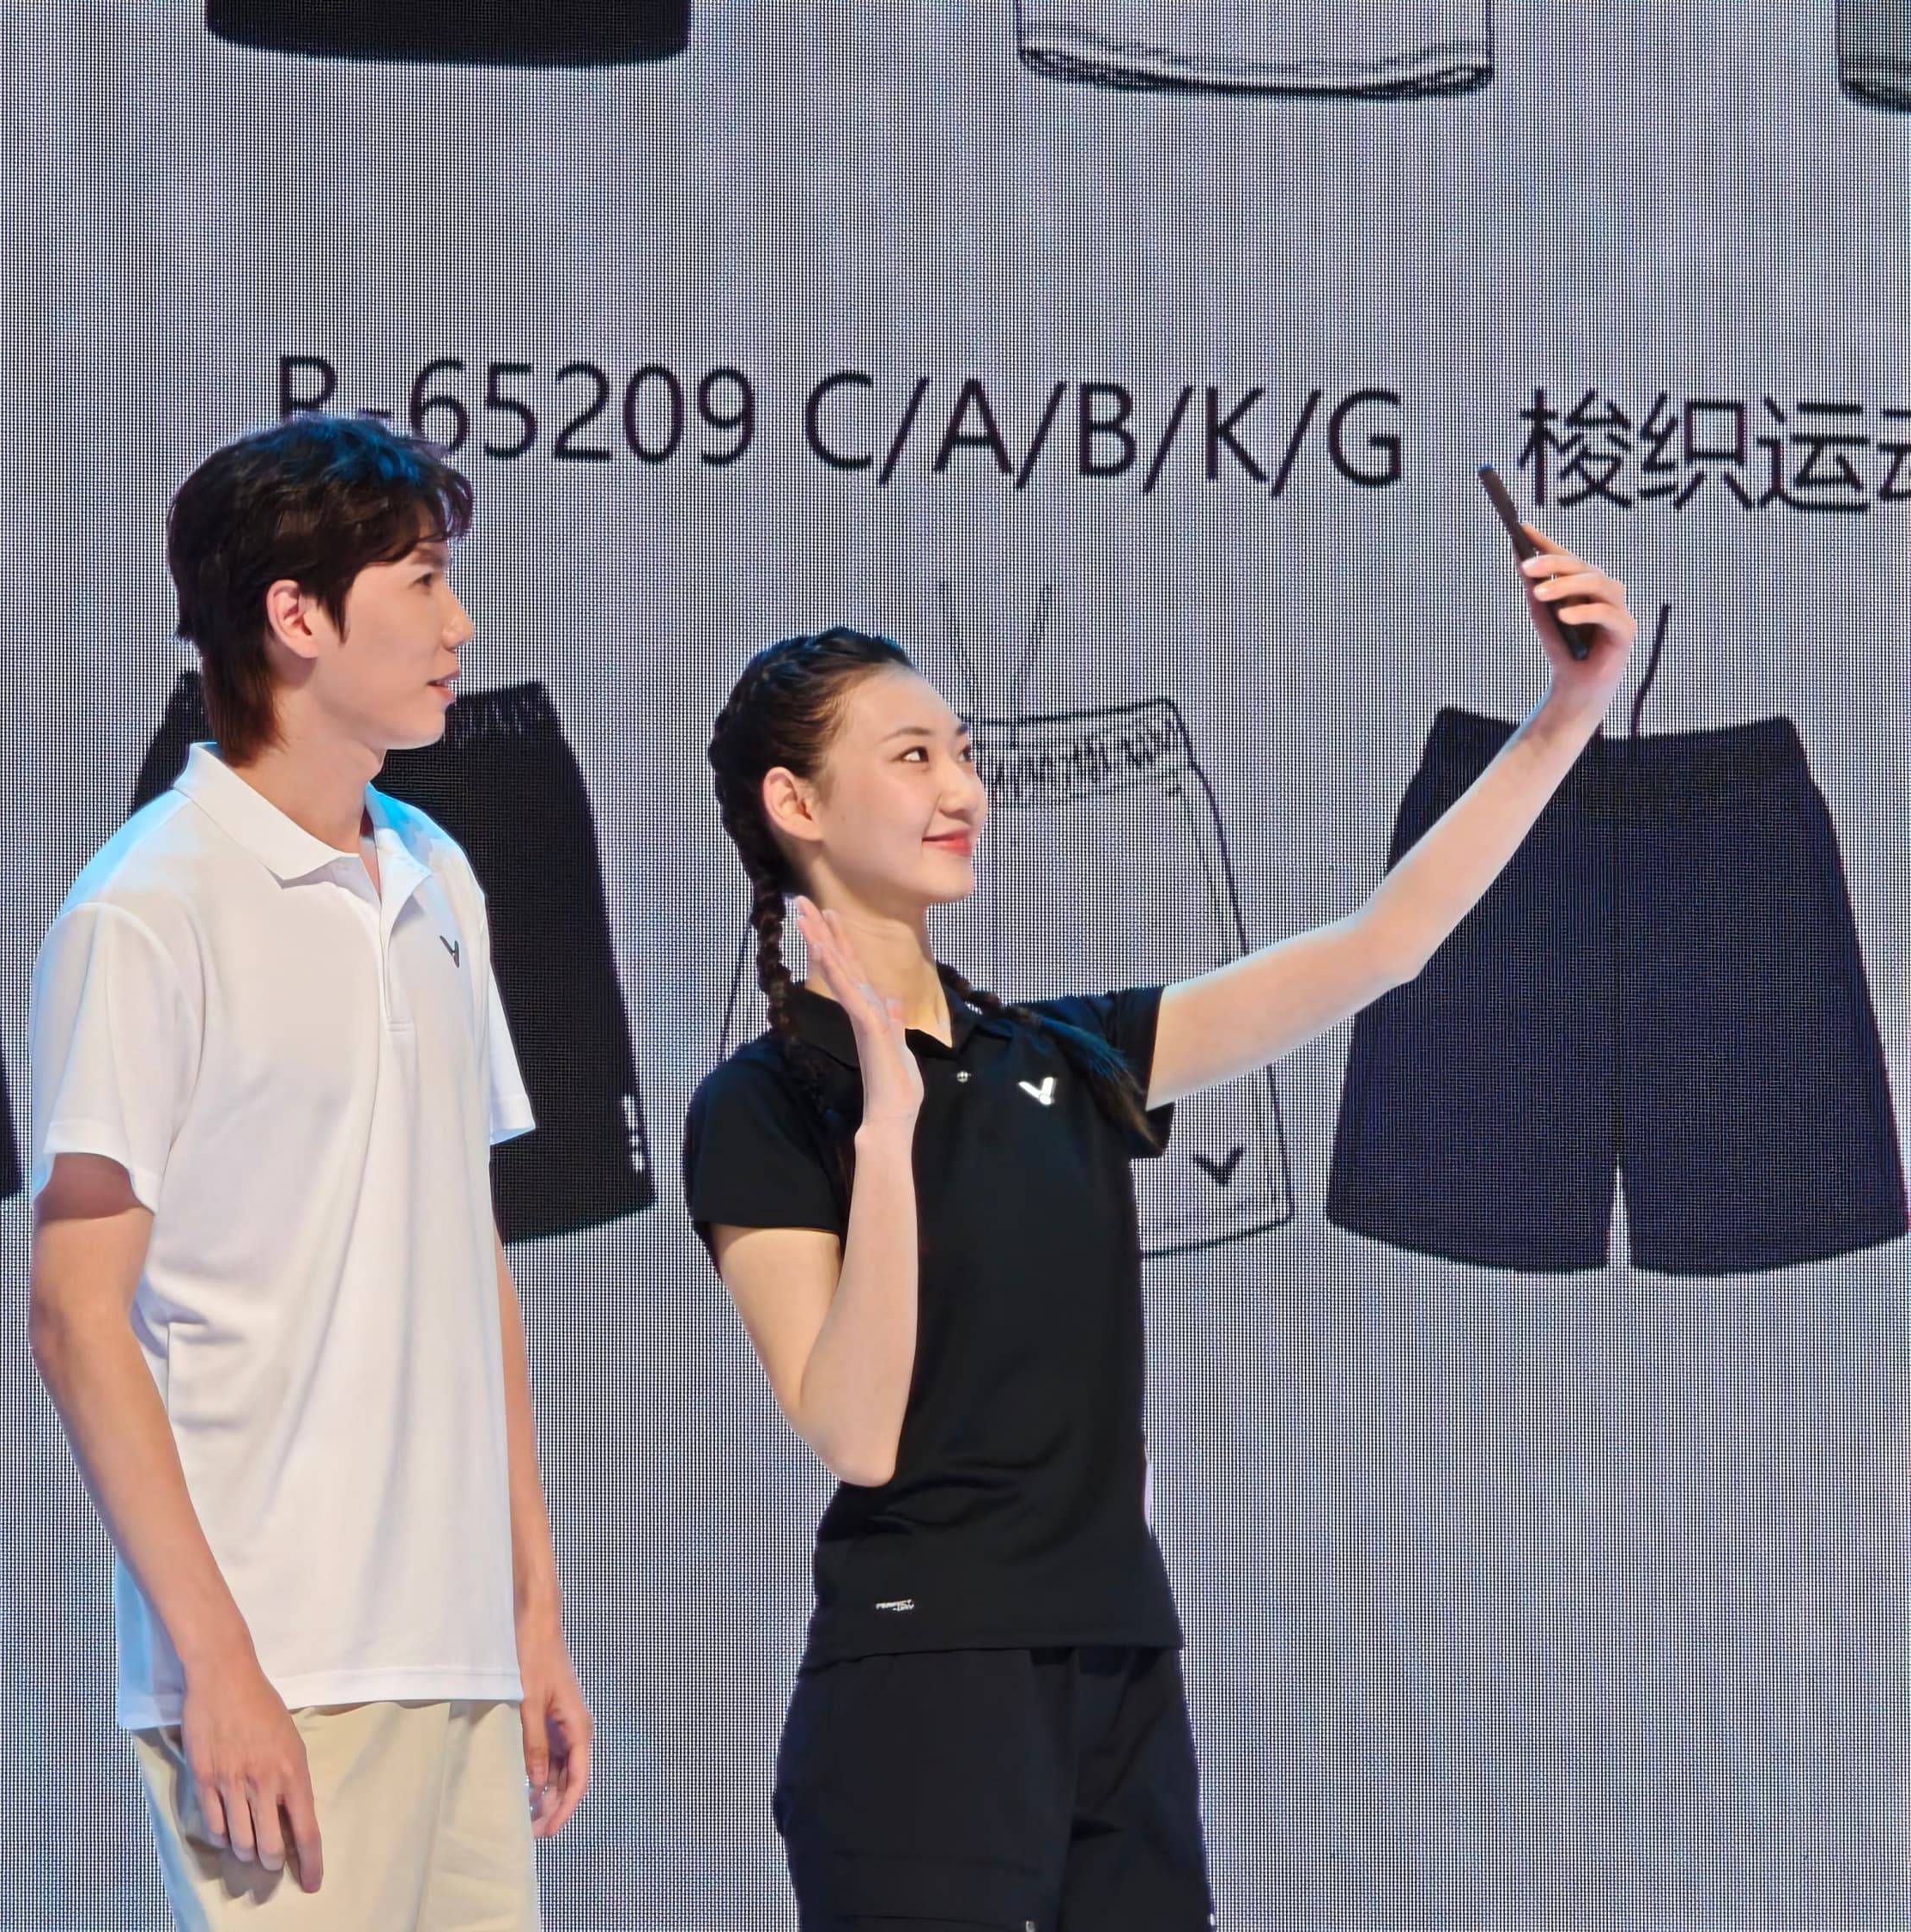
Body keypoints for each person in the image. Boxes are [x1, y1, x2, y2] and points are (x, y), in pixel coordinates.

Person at [682, 537, 1636, 1929]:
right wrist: (887, 1125)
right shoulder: (766, 1100)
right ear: (795, 801)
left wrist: (1571, 709)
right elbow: (858, 1431)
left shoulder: (1067, 1056)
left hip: (1120, 1666)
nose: (962, 790)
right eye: (912, 757)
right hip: (925, 1681)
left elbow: (1382, 944)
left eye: (963, 754)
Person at [27, 415, 591, 1929]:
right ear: (296, 615)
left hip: (457, 1659)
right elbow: (76, 1315)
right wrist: (216, 1662)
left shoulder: (439, 873)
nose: (460, 625)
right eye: (422, 581)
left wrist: (530, 1608)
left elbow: (468, 1260)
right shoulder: (146, 909)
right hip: (277, 1669)